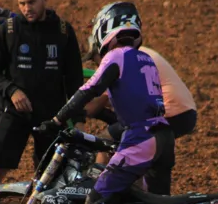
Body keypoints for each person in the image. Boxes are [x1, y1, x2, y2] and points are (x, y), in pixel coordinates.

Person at [37, 2, 175, 204]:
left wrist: (57, 119)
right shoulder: (146, 59)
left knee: (97, 198)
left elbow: (89, 90)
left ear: (106, 29)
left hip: (141, 138)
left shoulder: (117, 56)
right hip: (164, 138)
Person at [0, 0, 84, 186]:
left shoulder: (63, 31)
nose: (26, 8)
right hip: (16, 111)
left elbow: (74, 79)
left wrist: (79, 117)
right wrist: (11, 91)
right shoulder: (9, 30)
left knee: (51, 177)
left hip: (52, 116)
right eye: (21, 3)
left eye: (31, 2)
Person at [83, 39, 197, 168]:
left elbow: (91, 108)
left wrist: (69, 106)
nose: (96, 65)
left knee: (105, 140)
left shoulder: (118, 59)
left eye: (94, 59)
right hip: (185, 113)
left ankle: (95, 186)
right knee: (142, 158)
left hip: (166, 112)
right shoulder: (139, 53)